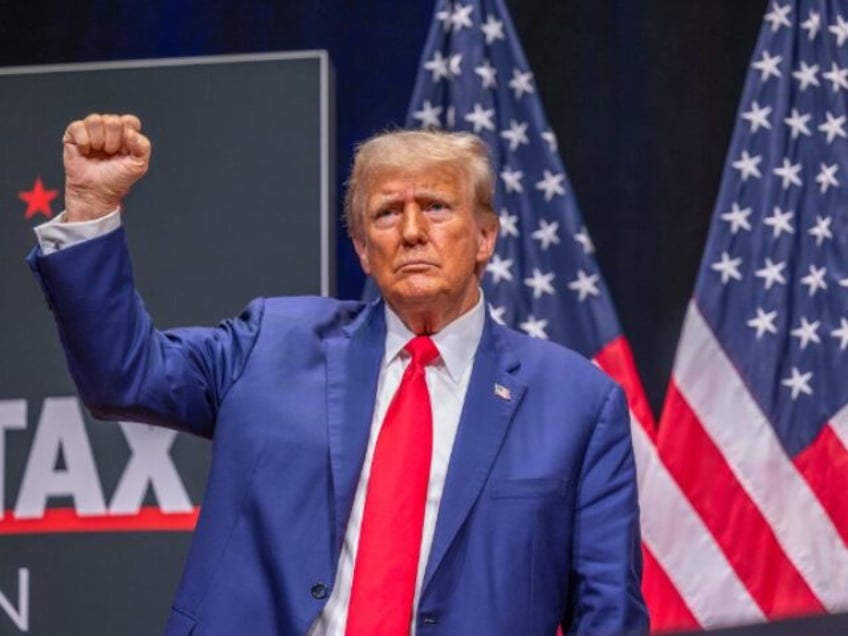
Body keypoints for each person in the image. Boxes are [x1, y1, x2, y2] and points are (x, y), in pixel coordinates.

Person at [29, 113, 648, 635]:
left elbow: (608, 612)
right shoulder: (272, 344)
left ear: (485, 236)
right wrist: (91, 208)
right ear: (361, 248)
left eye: (435, 207)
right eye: (386, 214)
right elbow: (123, 377)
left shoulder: (577, 403)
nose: (411, 232)